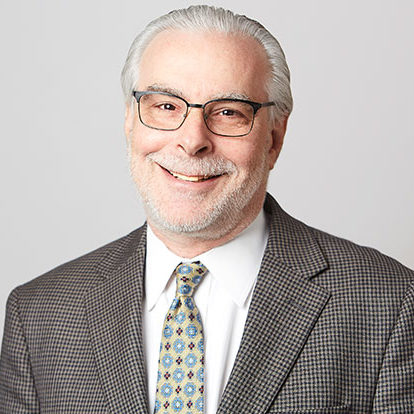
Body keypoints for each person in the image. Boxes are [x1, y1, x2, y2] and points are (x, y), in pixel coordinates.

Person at [1, 5, 413, 413]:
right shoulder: (39, 313)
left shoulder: (389, 304)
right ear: (130, 121)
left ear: (274, 137)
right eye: (165, 106)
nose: (191, 140)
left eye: (229, 112)